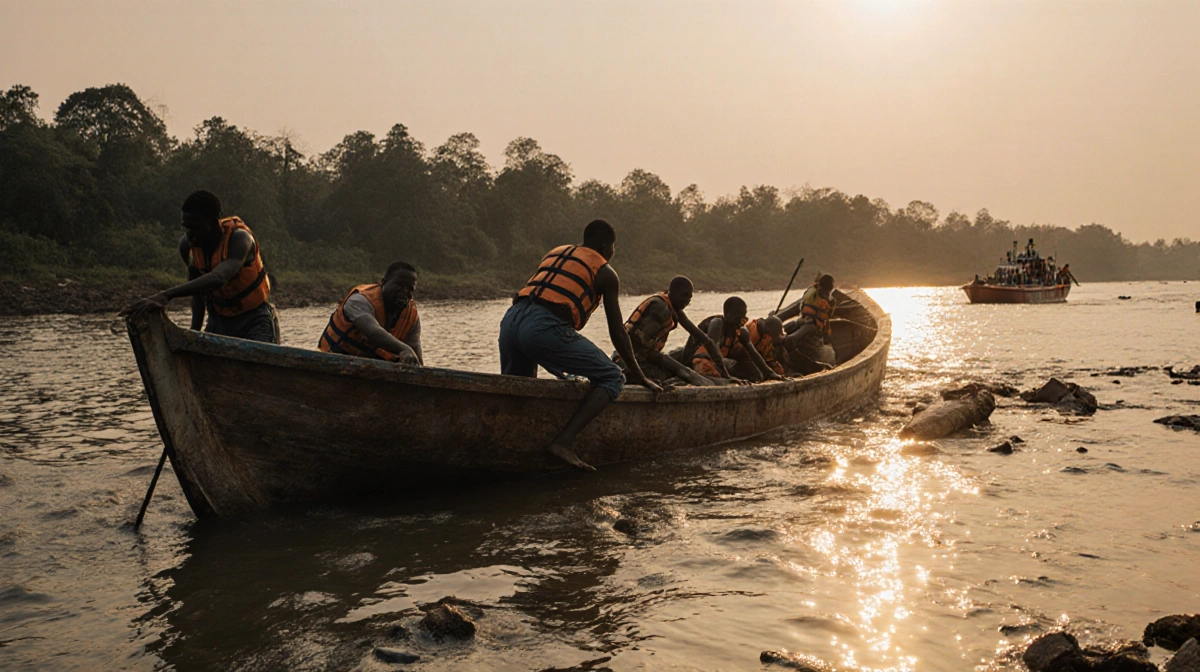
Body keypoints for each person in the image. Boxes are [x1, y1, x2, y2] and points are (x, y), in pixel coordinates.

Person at [498, 219, 663, 471]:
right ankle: (563, 442)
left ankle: (511, 448)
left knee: (521, 388)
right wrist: (639, 377)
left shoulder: (557, 252)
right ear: (605, 245)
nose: (613, 253)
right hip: (542, 326)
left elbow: (525, 293)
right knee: (611, 376)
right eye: (614, 247)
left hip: (511, 320)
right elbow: (618, 332)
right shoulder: (606, 273)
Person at [120, 190, 278, 343]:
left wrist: (166, 295)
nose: (189, 233)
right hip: (219, 320)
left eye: (195, 228)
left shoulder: (240, 240)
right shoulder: (187, 246)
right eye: (185, 227)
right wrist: (193, 334)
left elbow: (219, 277)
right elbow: (198, 295)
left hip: (255, 319)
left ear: (213, 223)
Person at [615, 276, 730, 386]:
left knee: (685, 372)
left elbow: (706, 341)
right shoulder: (660, 308)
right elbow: (638, 347)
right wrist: (671, 364)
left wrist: (726, 375)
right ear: (672, 292)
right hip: (628, 363)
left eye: (689, 298)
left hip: (642, 359)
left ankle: (722, 382)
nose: (686, 301)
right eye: (684, 295)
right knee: (683, 374)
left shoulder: (675, 310)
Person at [317, 262, 422, 365]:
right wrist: (404, 349)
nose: (404, 291)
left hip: (373, 369)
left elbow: (415, 350)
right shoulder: (360, 300)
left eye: (410, 289)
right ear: (384, 282)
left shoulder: (411, 316)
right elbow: (372, 332)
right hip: (333, 360)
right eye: (399, 285)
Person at [688, 297, 784, 383]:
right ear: (728, 315)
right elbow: (714, 352)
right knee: (712, 374)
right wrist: (727, 376)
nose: (742, 322)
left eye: (744, 318)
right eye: (738, 318)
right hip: (700, 360)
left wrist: (769, 372)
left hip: (721, 361)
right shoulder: (717, 324)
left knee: (756, 374)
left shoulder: (741, 331)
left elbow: (753, 353)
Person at [776, 274, 837, 374]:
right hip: (802, 326)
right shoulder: (810, 293)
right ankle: (787, 341)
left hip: (812, 331)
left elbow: (822, 321)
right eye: (823, 291)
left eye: (827, 292)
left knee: (810, 326)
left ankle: (789, 341)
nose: (825, 294)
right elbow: (796, 308)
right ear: (819, 286)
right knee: (798, 326)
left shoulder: (830, 301)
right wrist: (778, 318)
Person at [728, 314, 787, 381]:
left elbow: (770, 359)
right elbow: (745, 354)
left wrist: (778, 371)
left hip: (749, 357)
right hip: (734, 359)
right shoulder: (751, 329)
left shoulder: (766, 337)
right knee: (757, 375)